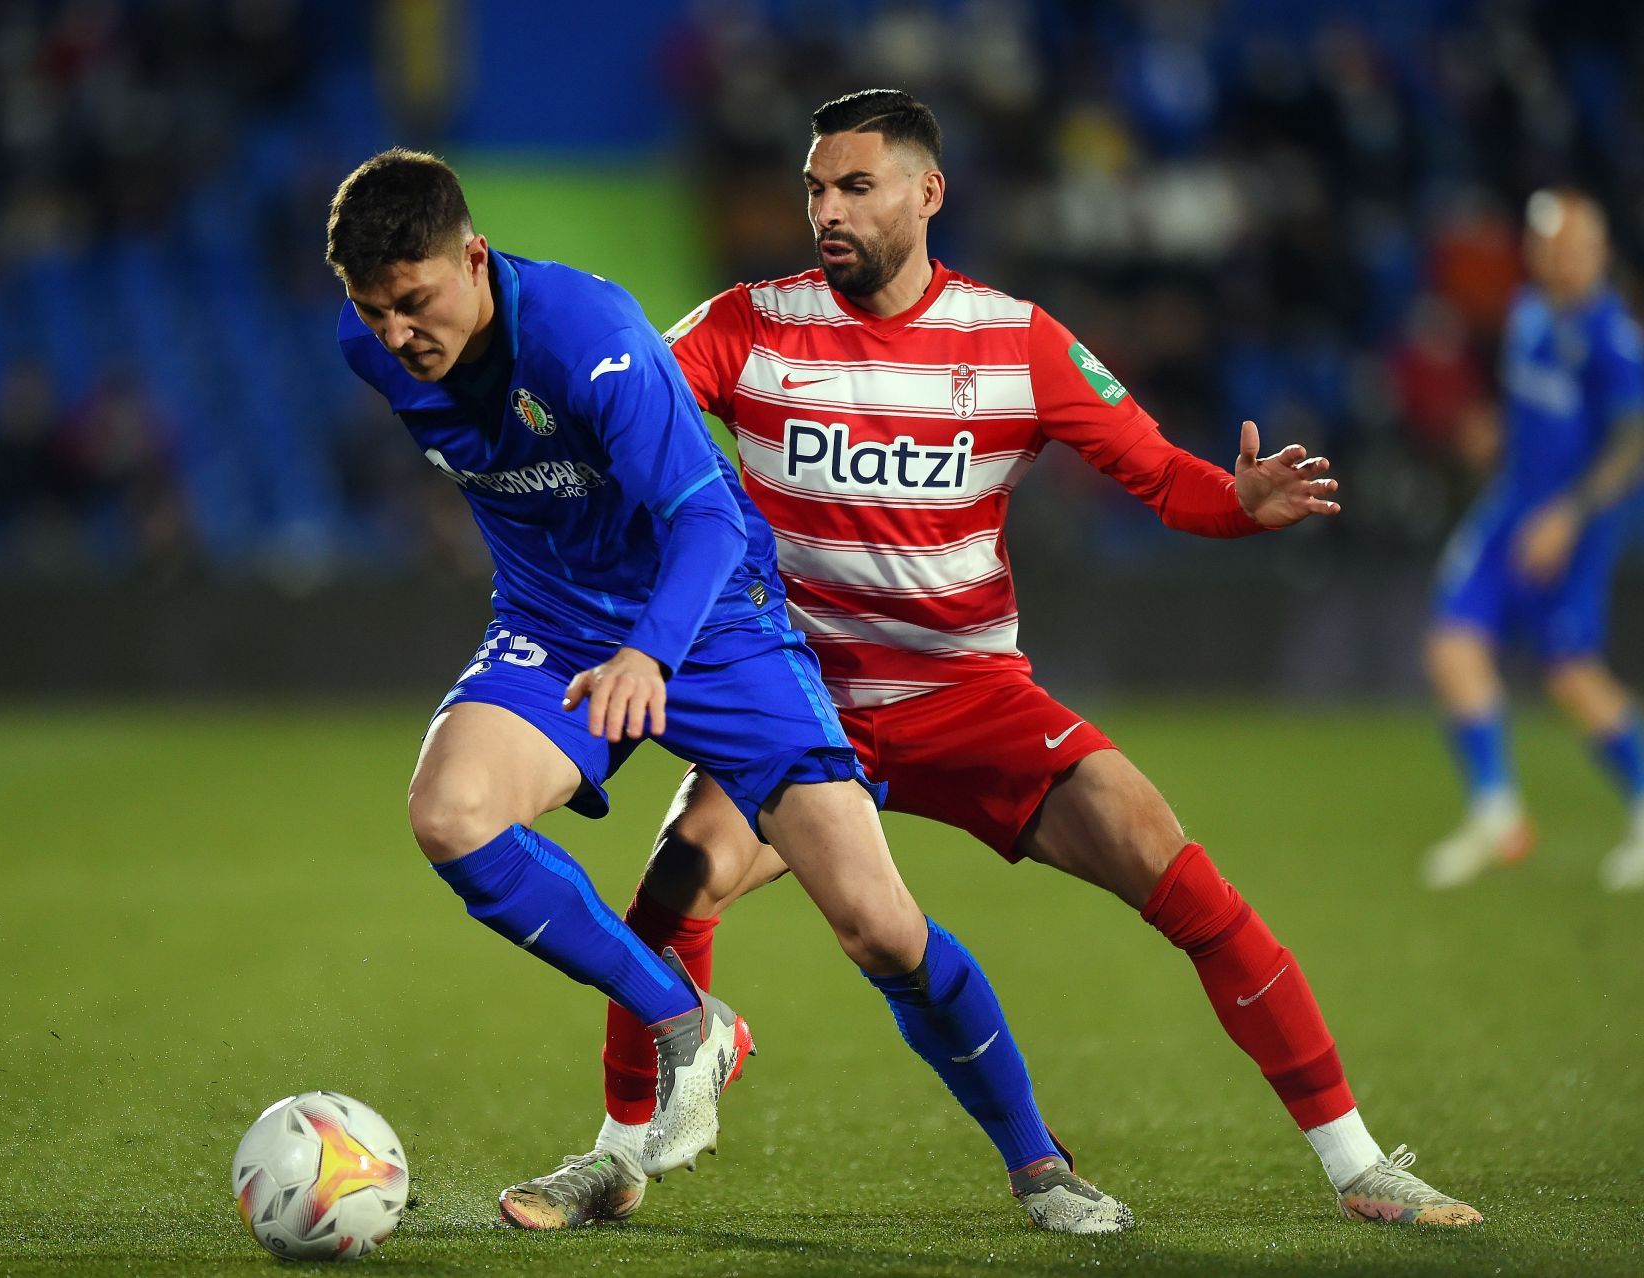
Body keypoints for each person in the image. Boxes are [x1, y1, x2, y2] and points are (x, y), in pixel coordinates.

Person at [500, 91, 1481, 1229]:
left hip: (970, 699)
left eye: (855, 187)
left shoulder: (1016, 339)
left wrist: (1240, 502)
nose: (827, 209)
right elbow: (636, 435)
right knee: (667, 901)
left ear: (928, 194)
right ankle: (619, 1157)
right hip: (798, 701)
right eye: (815, 186)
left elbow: (1164, 477)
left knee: (1188, 887)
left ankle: (1358, 1166)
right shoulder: (745, 326)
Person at [328, 148, 1134, 1233]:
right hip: (553, 627)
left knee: (879, 929)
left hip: (712, 624)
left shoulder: (589, 340)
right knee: (450, 814)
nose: (394, 334)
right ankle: (683, 1026)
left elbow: (706, 521)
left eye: (413, 302)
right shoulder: (371, 352)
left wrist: (653, 654)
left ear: (474, 256)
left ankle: (1040, 1166)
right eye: (373, 311)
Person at [1423, 189, 1644, 892]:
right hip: (1511, 506)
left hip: (1573, 522)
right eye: (1549, 244)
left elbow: (1632, 441)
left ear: (1599, 252)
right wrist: (1494, 433)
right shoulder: (1526, 312)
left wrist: (1570, 516)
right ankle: (1496, 814)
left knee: (1570, 672)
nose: (1559, 256)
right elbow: (1534, 412)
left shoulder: (1612, 334)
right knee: (1453, 643)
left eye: (1574, 245)